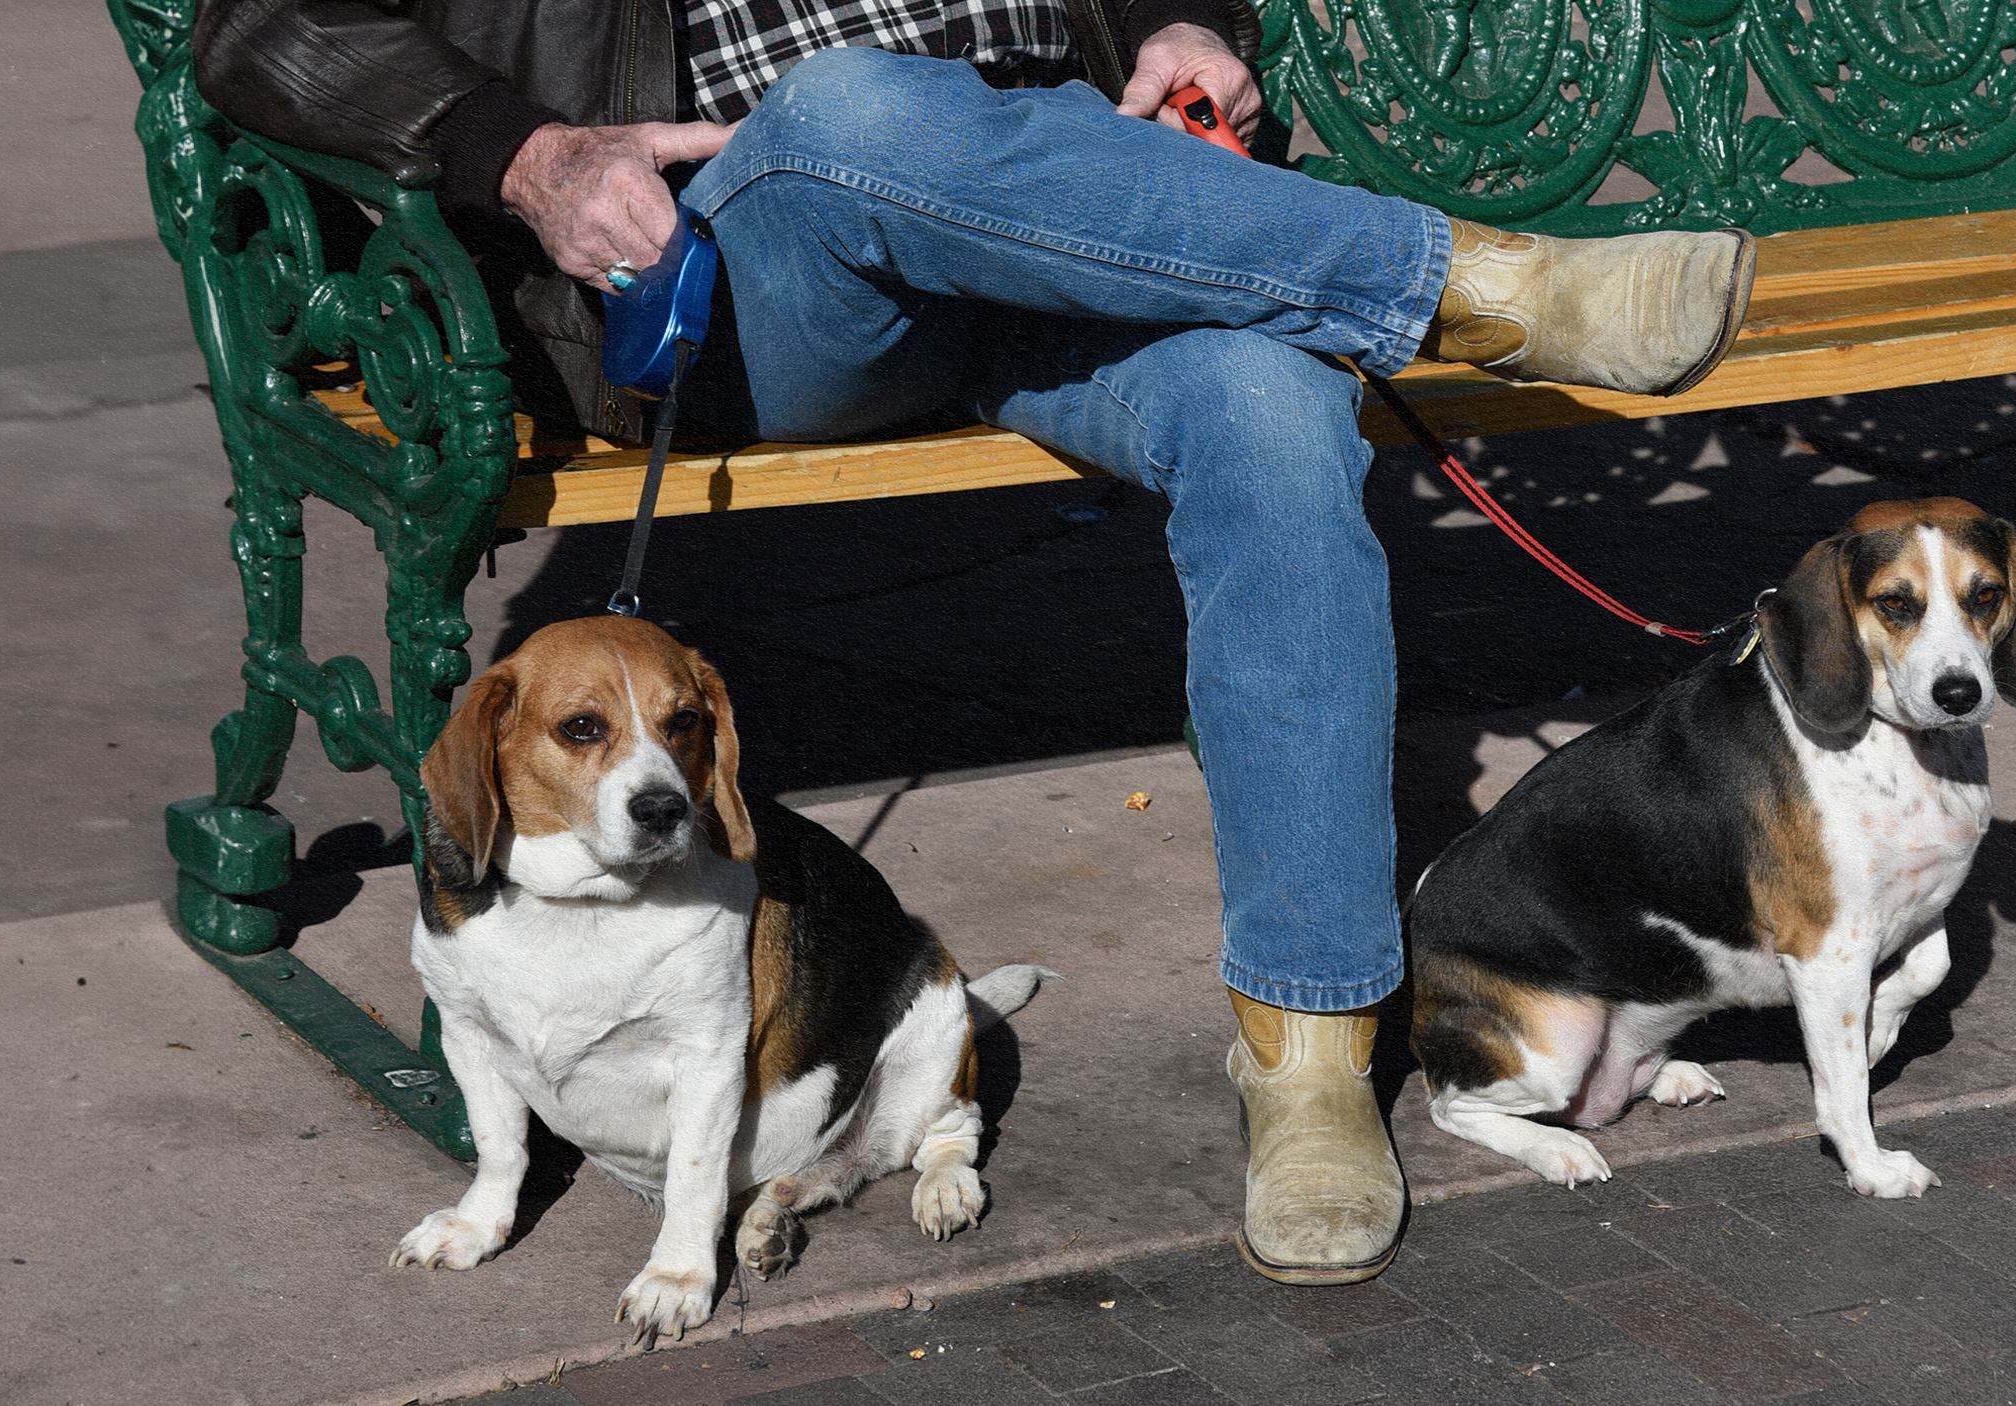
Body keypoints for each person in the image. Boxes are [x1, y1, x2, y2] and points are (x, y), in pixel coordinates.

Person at [192, 0, 1754, 1288]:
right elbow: (260, 23)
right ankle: (1472, 285)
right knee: (858, 111)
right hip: (759, 256)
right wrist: (522, 152)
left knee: (1274, 415)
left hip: (1068, 199)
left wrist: (1175, 26)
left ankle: (1311, 1048)